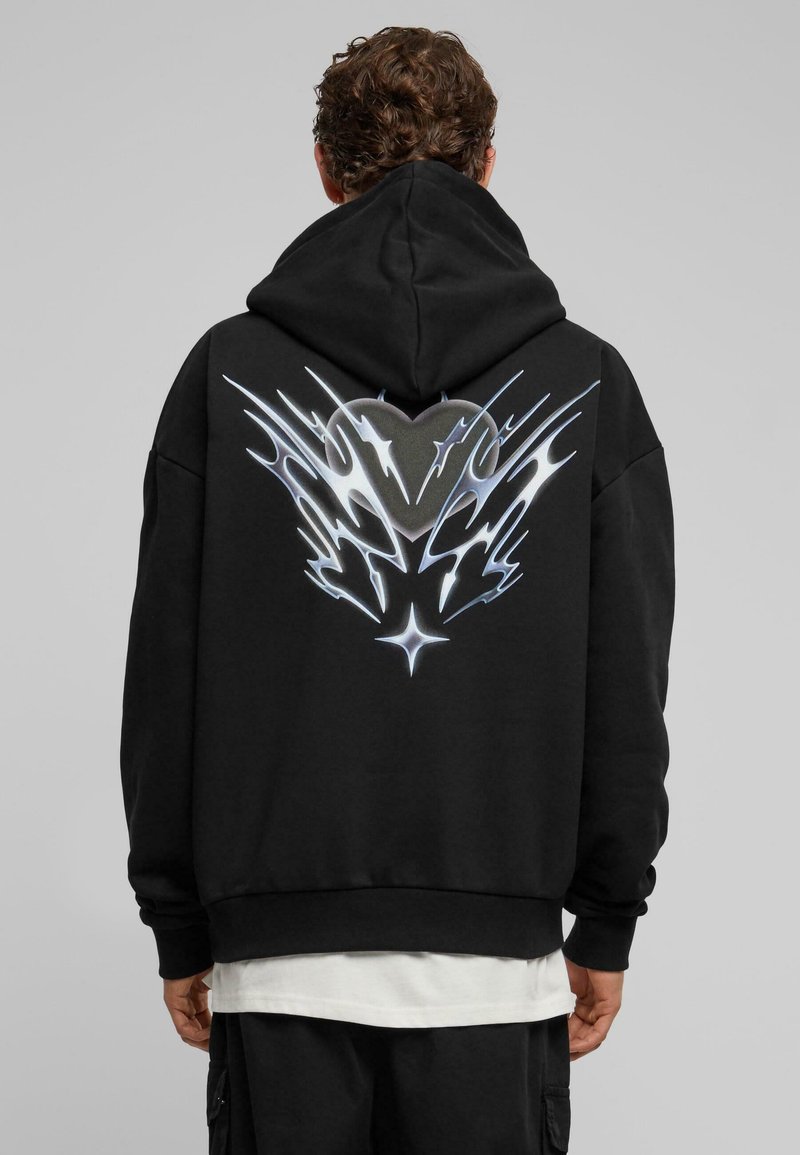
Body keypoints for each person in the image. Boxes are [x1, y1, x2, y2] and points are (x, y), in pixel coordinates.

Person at [119, 25, 675, 1155]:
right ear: (487, 163)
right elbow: (627, 678)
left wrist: (178, 921)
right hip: (495, 982)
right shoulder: (584, 379)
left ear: (327, 170)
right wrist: (606, 915)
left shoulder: (226, 372)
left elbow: (163, 674)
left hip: (280, 973)